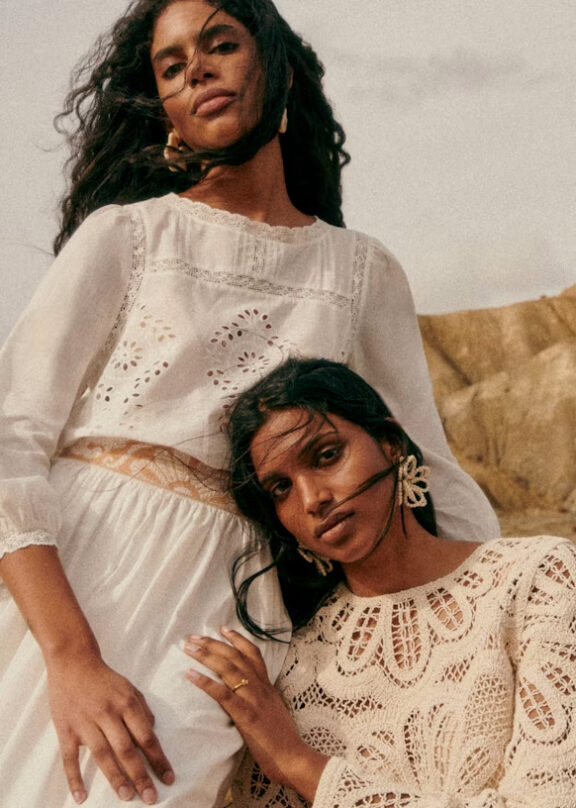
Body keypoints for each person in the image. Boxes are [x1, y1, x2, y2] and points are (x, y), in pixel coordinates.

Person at [0, 1, 499, 806]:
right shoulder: (128, 236)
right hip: (77, 575)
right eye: (170, 66)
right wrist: (71, 659)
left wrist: (511, 594)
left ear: (278, 68)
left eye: (220, 44)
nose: (196, 69)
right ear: (165, 109)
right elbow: (11, 437)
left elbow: (424, 461)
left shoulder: (361, 271)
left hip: (227, 611)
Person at [183, 357, 576, 808]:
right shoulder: (293, 666)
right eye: (281, 489)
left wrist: (300, 764)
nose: (312, 499)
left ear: (391, 444)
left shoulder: (537, 579)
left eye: (326, 456)